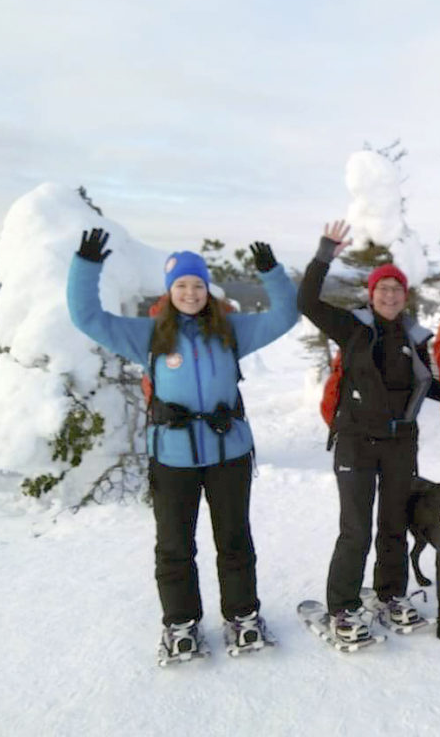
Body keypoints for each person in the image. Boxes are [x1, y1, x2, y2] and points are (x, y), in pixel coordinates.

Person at [66, 228, 298, 661]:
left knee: (234, 539)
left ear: (206, 289)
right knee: (174, 544)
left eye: (197, 285)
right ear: (169, 291)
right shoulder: (148, 336)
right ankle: (181, 625)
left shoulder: (230, 331)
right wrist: (86, 267)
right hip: (172, 457)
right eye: (181, 286)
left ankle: (242, 616)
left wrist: (272, 274)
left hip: (228, 454)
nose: (190, 293)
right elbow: (87, 317)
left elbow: (284, 316)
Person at [298, 220, 440, 643]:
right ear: (371, 294)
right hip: (356, 442)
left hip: (400, 443)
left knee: (394, 523)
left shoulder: (414, 337)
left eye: (396, 289)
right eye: (383, 289)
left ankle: (391, 594)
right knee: (356, 528)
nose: (390, 295)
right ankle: (343, 606)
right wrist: (324, 254)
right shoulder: (352, 328)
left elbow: (425, 384)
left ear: (405, 296)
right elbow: (306, 301)